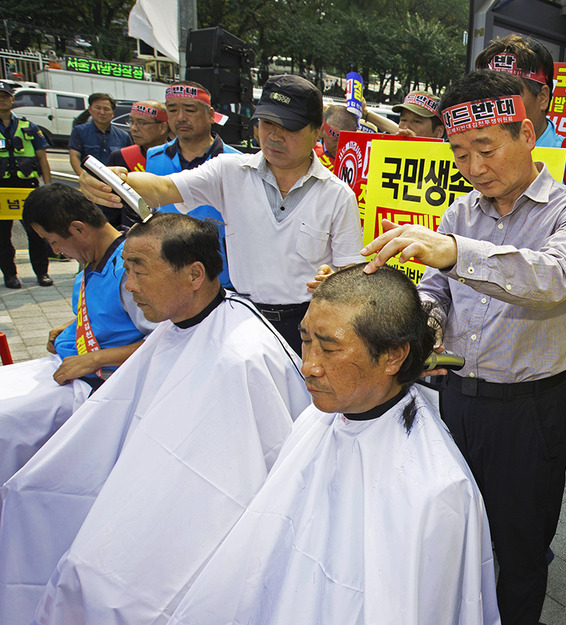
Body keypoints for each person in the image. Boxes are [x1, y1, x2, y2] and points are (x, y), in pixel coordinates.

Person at [361, 70, 566, 625]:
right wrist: (422, 324)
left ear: (527, 132)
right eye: (460, 154)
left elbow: (557, 277)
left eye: (486, 149)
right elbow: (436, 290)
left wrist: (450, 251)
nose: (474, 168)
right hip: (457, 402)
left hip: (530, 411)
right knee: (454, 532)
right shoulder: (461, 213)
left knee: (520, 549)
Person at [0, 213, 310, 625]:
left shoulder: (244, 356)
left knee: (106, 590)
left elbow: (248, 478)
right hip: (147, 487)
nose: (129, 285)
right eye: (127, 270)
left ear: (194, 274)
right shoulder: (173, 328)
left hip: (207, 521)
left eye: (139, 270)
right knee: (32, 498)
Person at [166, 264, 500, 625]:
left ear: (392, 356)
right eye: (306, 341)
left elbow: (424, 607)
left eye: (329, 348)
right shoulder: (316, 419)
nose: (308, 366)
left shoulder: (437, 489)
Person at [78, 75, 364, 353]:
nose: (274, 136)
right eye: (266, 123)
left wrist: (332, 280)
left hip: (306, 326)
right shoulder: (229, 171)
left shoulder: (337, 196)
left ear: (316, 131)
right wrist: (113, 179)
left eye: (289, 127)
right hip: (242, 317)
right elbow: (163, 187)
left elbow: (352, 276)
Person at [0, 183, 155, 498]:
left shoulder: (129, 270)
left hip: (98, 386)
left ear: (78, 229)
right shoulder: (93, 260)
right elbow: (108, 315)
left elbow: (165, 341)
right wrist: (70, 326)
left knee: (8, 421)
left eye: (53, 241)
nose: (55, 251)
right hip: (71, 367)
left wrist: (95, 358)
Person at [476, 34, 566, 206]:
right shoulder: (470, 161)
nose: (495, 106)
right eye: (488, 95)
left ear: (542, 97)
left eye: (509, 95)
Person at [146, 82, 241, 287]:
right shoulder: (154, 158)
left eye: (189, 110)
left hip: (223, 277)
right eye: (172, 110)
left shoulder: (237, 162)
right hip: (169, 272)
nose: (180, 117)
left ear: (210, 114)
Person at [0, 80, 53, 288]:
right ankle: (10, 275)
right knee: (3, 236)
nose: (2, 100)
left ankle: (42, 273)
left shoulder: (28, 126)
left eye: (5, 96)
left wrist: (47, 187)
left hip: (27, 186)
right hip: (2, 186)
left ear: (12, 100)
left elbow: (42, 159)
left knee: (36, 232)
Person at [68, 92, 132, 175]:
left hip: (115, 183)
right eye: (97, 108)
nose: (102, 112)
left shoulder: (124, 136)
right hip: (89, 182)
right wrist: (83, 177)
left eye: (106, 109)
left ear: (113, 113)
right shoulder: (79, 131)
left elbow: (129, 162)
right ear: (90, 110)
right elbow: (74, 157)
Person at [106, 99, 170, 173]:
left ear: (163, 127)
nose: (134, 128)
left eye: (142, 123)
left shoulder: (179, 157)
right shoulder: (120, 157)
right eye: (131, 121)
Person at [317, 103, 360, 171]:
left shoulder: (361, 157)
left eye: (345, 140)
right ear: (322, 130)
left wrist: (367, 115)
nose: (339, 146)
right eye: (334, 139)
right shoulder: (308, 151)